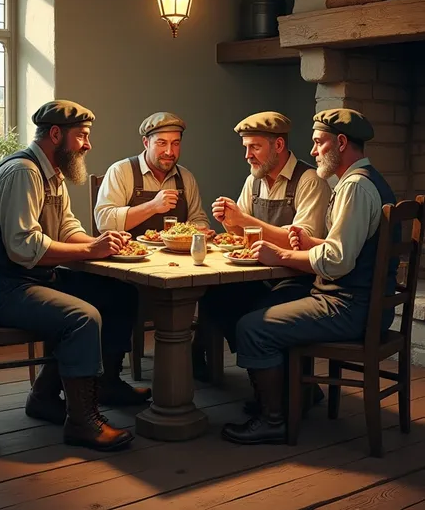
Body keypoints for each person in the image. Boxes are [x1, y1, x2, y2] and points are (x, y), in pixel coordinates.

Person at [0, 100, 151, 452]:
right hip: (2, 288)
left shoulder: (52, 172)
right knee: (82, 317)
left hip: (30, 280)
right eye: (82, 136)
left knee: (118, 292)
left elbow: (68, 228)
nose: (88, 145)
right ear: (56, 134)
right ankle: (83, 422)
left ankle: (76, 390)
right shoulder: (23, 172)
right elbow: (24, 248)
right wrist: (89, 251)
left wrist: (102, 243)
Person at [222, 108, 398, 445]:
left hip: (347, 306)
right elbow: (346, 248)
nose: (314, 150)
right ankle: (292, 397)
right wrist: (311, 242)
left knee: (253, 326)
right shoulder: (363, 181)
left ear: (341, 143)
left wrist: (284, 255)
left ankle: (274, 419)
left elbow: (337, 262)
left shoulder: (355, 188)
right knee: (255, 309)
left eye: (319, 143)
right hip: (357, 302)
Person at [192, 111, 331, 382]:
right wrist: (229, 221)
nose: (248, 155)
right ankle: (260, 375)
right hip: (260, 274)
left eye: (254, 147)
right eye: (246, 148)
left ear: (278, 145)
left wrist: (243, 220)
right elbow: (243, 234)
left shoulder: (309, 180)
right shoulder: (253, 180)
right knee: (214, 296)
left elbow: (302, 241)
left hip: (298, 279)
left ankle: (285, 387)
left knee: (257, 313)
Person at [94, 111, 211, 236]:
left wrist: (199, 229)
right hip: (131, 252)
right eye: (162, 143)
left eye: (175, 143)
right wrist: (153, 206)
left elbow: (199, 219)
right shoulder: (120, 171)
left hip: (177, 254)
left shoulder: (186, 177)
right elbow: (104, 223)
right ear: (146, 143)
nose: (169, 151)